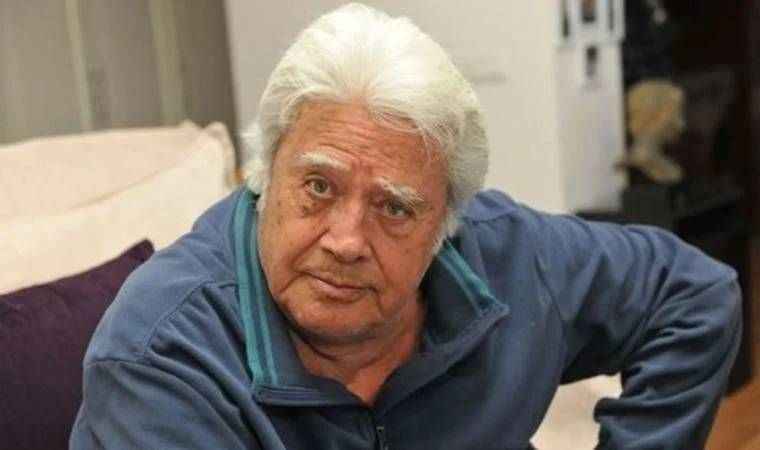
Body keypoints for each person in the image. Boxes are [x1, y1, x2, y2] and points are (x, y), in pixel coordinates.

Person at [70, 4, 742, 449]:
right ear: (263, 175)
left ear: (446, 223)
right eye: (318, 186)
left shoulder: (503, 253)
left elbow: (694, 295)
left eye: (394, 208)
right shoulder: (160, 355)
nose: (345, 241)